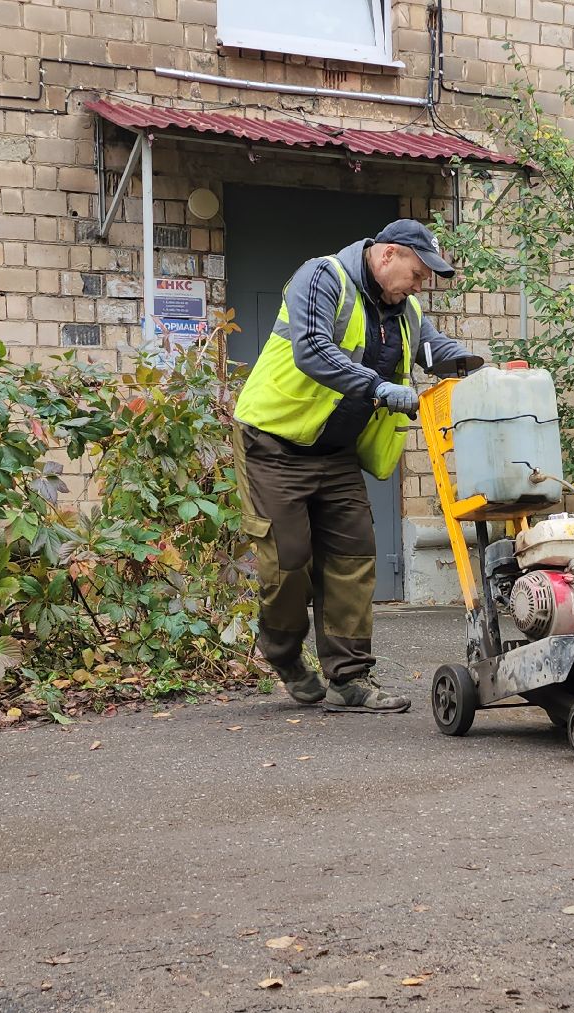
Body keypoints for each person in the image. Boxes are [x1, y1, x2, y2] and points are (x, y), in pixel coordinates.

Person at [232, 220, 483, 712]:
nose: (420, 286)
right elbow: (312, 349)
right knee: (288, 563)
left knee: (353, 559)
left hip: (336, 452)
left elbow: (434, 350)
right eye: (417, 274)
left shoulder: (405, 310)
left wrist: (481, 370)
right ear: (388, 255)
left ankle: (349, 679)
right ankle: (282, 652)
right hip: (274, 443)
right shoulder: (322, 277)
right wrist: (377, 386)